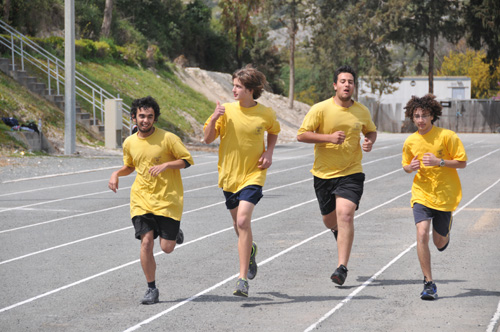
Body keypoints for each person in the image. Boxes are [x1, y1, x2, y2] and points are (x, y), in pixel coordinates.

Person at [203, 65, 281, 297]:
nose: (233, 89)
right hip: (229, 176)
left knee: (244, 221)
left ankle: (242, 279)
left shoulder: (266, 113)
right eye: (234, 85)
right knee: (239, 226)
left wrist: (269, 152)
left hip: (253, 174)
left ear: (250, 90)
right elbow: (207, 139)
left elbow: (274, 131)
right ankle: (252, 249)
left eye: (238, 86)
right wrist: (214, 119)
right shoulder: (225, 110)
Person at [108, 96, 194, 304]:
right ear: (134, 118)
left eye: (149, 117)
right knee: (146, 242)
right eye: (141, 116)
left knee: (166, 247)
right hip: (141, 199)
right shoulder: (129, 142)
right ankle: (151, 289)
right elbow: (130, 166)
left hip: (167, 199)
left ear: (155, 119)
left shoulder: (168, 138)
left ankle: (174, 233)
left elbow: (187, 161)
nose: (145, 120)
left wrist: (166, 165)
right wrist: (116, 174)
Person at [297, 65, 377, 286]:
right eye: (342, 81)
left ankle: (341, 268)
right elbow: (302, 135)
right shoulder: (320, 109)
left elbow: (370, 130)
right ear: (335, 85)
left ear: (354, 86)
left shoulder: (361, 111)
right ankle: (337, 231)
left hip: (351, 172)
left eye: (350, 81)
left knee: (345, 215)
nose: (347, 85)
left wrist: (369, 140)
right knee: (330, 220)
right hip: (323, 174)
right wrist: (328, 138)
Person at [402, 94, 467, 300]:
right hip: (421, 193)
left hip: (445, 194)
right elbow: (405, 165)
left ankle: (446, 229)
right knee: (421, 234)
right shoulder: (411, 141)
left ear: (432, 116)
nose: (420, 120)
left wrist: (440, 162)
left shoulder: (447, 136)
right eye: (416, 116)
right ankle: (429, 283)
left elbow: (462, 162)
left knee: (439, 243)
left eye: (424, 116)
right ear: (412, 118)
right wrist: (409, 167)